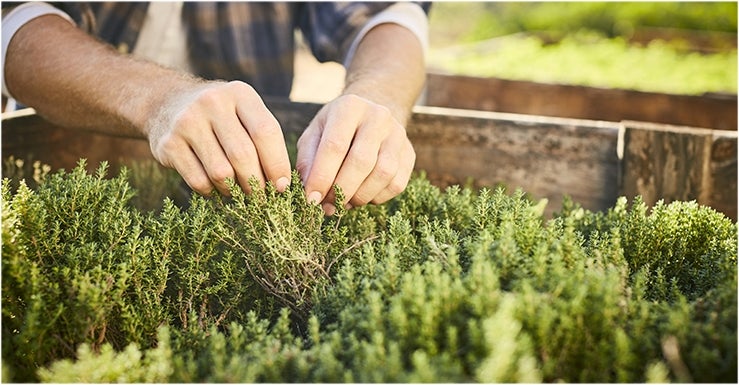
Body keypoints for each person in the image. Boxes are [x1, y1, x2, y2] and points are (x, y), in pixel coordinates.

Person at [1, 2, 429, 215]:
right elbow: (16, 22)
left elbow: (384, 15)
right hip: (66, 175)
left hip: (246, 194)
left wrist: (379, 97)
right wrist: (158, 100)